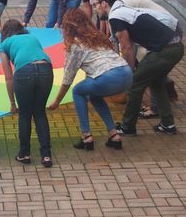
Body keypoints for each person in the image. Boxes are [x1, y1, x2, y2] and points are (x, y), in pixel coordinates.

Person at [96, 0, 184, 136]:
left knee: (134, 85)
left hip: (165, 50)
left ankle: (127, 126)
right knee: (156, 82)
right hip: (174, 47)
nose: (95, 9)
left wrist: (127, 72)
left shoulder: (115, 16)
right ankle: (167, 124)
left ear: (104, 4)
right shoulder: (122, 10)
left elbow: (126, 46)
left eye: (96, 4)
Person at [47, 9, 132, 150]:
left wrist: (57, 101)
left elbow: (68, 78)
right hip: (127, 73)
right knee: (94, 95)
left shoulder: (75, 45)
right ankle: (114, 134)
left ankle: (86, 137)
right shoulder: (97, 37)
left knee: (78, 91)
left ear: (67, 28)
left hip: (109, 77)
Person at [0, 19, 53, 167]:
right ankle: (46, 155)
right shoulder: (33, 38)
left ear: (5, 33)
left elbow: (8, 77)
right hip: (46, 70)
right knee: (40, 113)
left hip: (24, 72)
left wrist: (12, 103)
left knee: (24, 115)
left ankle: (24, 154)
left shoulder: (4, 45)